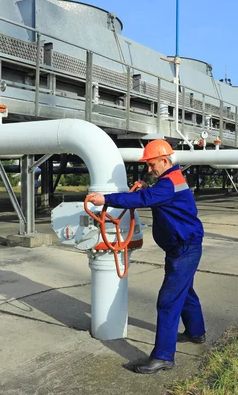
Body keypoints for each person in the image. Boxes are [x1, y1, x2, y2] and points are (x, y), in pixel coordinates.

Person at [87, 139, 206, 375]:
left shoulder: (167, 185)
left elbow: (143, 201)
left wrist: (106, 199)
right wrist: (146, 188)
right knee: (185, 292)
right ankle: (196, 332)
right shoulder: (170, 181)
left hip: (184, 248)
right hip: (183, 247)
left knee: (168, 301)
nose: (150, 169)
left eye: (152, 165)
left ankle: (163, 357)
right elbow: (153, 196)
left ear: (165, 160)